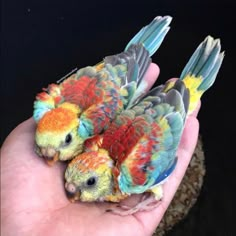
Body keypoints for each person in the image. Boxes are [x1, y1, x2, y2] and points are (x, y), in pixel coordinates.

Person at [0, 64, 200, 236]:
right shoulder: (95, 142)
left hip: (164, 114)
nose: (73, 191)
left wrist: (151, 197)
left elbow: (169, 165)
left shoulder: (129, 178)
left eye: (90, 182)